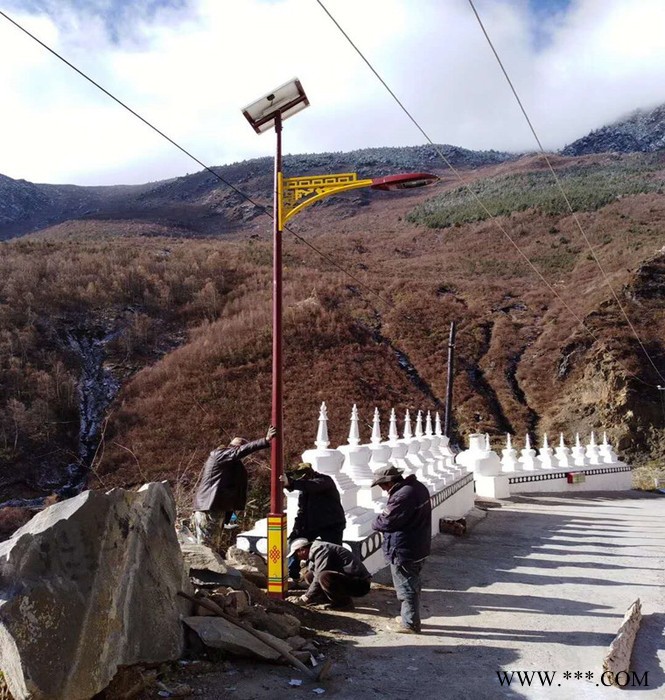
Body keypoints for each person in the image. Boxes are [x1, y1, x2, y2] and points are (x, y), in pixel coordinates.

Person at [192, 425, 277, 547]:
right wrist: (265, 440)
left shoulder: (228, 460)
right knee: (207, 547)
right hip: (209, 507)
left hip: (214, 507)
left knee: (211, 545)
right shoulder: (219, 454)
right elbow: (239, 451)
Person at [371, 464, 431, 634]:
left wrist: (375, 521)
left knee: (406, 587)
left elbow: (386, 522)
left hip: (404, 547)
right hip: (419, 545)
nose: (383, 489)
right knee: (413, 582)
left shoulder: (402, 496)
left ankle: (410, 624)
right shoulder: (417, 488)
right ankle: (408, 617)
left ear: (389, 482)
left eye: (382, 485)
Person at [280, 462, 346, 580]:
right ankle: (292, 574)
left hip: (331, 524)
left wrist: (292, 483)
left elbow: (312, 486)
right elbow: (302, 509)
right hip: (310, 524)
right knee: (294, 543)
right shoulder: (304, 490)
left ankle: (335, 578)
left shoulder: (324, 481)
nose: (303, 479)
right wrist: (297, 528)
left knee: (334, 552)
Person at [289, 538, 371, 610]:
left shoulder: (320, 550)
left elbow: (318, 575)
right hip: (349, 580)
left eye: (296, 555)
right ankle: (326, 599)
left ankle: (344, 603)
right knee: (310, 576)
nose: (298, 558)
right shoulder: (314, 551)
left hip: (361, 584)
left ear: (302, 550)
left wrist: (306, 597)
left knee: (324, 577)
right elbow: (313, 572)